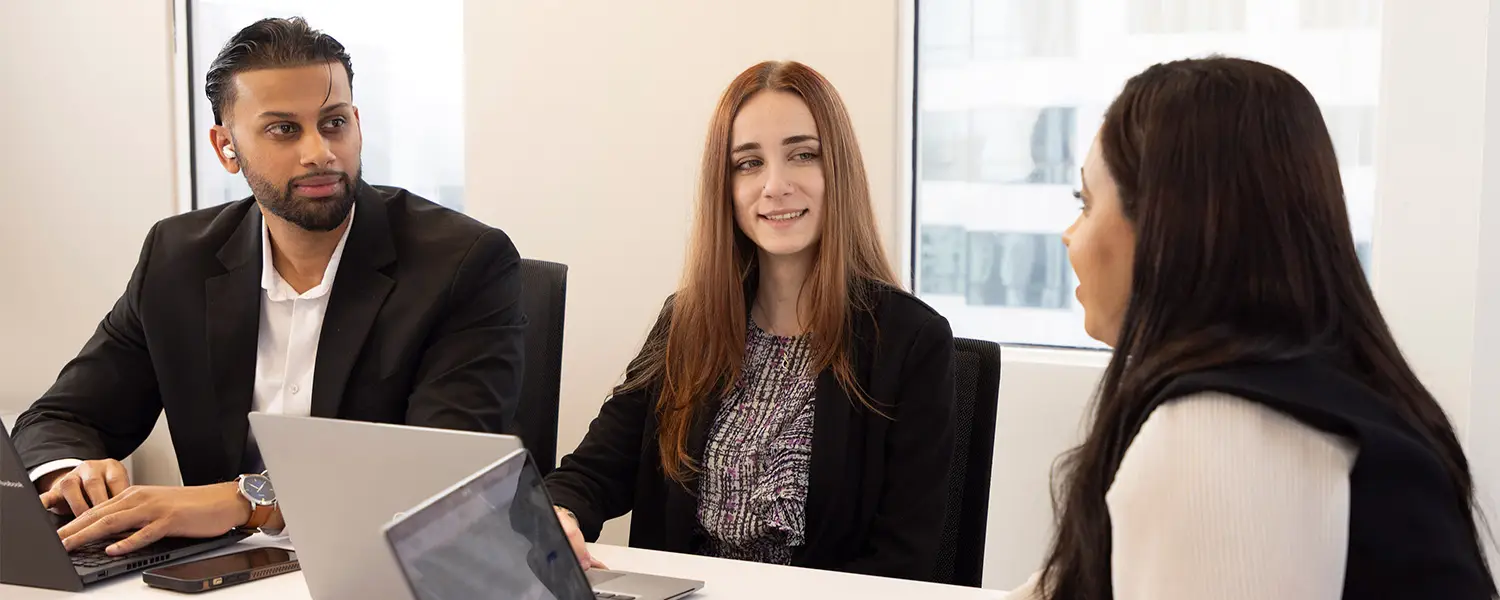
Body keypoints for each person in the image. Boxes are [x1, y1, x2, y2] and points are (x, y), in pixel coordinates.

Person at [11, 17, 526, 557]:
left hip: (393, 568)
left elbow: (441, 476)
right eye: (284, 129)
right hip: (224, 574)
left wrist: (250, 499)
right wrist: (70, 477)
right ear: (226, 147)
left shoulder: (463, 262)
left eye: (333, 123)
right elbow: (61, 418)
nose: (319, 152)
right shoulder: (177, 259)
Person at [1005, 57, 1496, 599]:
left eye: (1086, 203)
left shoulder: (1222, 433)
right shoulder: (1310, 400)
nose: (1069, 236)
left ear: (1166, 231)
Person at [543, 60, 957, 582]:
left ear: (840, 171)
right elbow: (593, 470)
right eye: (748, 163)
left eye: (803, 155)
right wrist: (558, 514)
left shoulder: (911, 341)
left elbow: (903, 561)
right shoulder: (688, 321)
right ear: (726, 186)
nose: (775, 185)